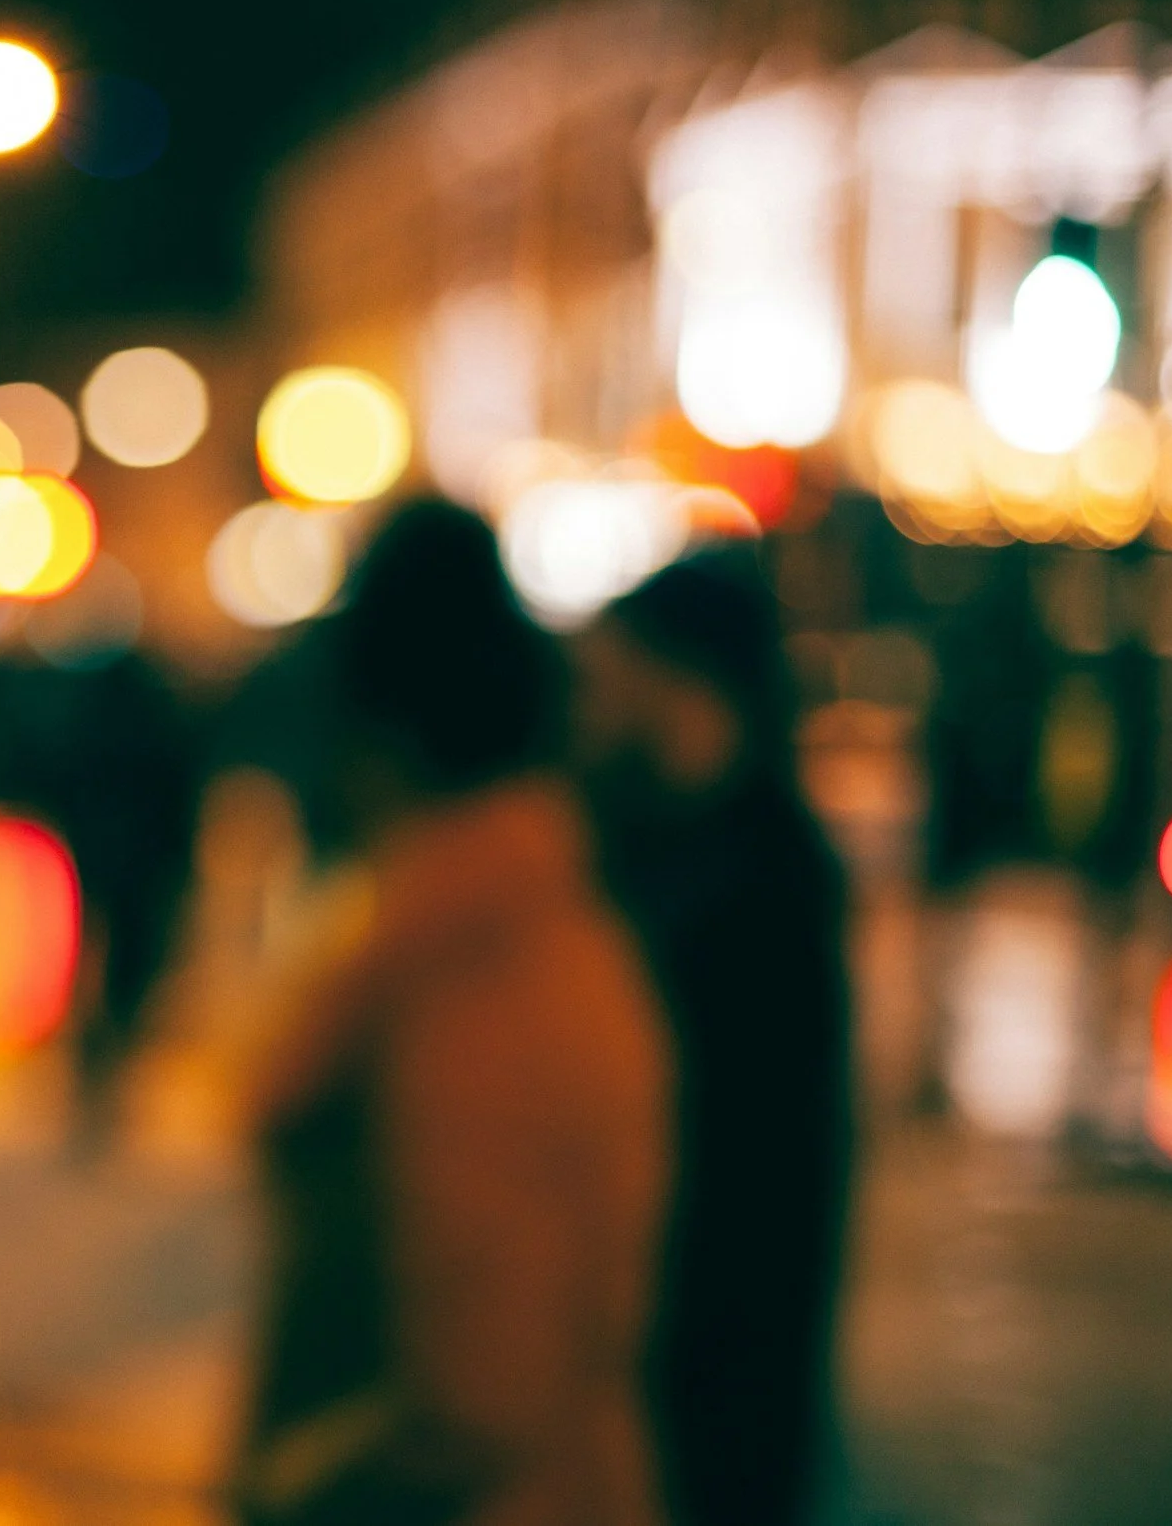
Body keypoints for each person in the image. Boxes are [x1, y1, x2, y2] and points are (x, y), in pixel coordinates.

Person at [239, 501, 675, 1526]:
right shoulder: (520, 919)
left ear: (380, 732)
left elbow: (481, 1391)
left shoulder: (472, 966)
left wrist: (295, 1489)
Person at [579, 550, 853, 1526]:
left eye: (609, 676)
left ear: (681, 684)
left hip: (705, 1377)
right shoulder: (660, 846)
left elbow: (756, 1187)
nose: (590, 704)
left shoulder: (756, 891)